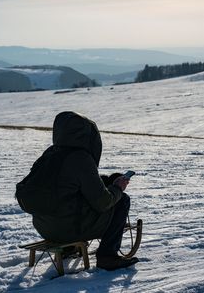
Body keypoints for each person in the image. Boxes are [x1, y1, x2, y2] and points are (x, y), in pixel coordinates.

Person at [32, 111, 139, 270]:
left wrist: (104, 182)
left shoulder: (49, 155)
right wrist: (117, 188)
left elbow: (69, 187)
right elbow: (103, 203)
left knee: (68, 203)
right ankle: (107, 256)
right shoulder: (81, 159)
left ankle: (68, 249)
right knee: (122, 200)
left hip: (45, 228)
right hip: (70, 230)